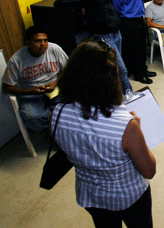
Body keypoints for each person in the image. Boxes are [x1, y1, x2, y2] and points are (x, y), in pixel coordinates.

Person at [53, 41, 156, 228]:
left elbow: (70, 148)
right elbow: (149, 170)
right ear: (110, 78)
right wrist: (139, 131)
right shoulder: (126, 124)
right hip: (129, 197)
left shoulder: (59, 112)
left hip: (91, 195)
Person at [54, 0, 132, 94]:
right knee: (120, 70)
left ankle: (120, 95)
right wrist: (80, 12)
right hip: (104, 37)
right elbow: (59, 3)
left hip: (116, 33)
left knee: (117, 70)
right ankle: (129, 97)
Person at [2, 26, 67, 132]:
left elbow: (67, 69)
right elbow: (6, 87)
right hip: (30, 94)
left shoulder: (54, 49)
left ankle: (57, 127)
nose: (43, 44)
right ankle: (51, 130)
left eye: (45, 40)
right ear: (28, 42)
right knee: (32, 118)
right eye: (38, 41)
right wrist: (29, 91)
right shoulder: (16, 60)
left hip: (55, 90)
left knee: (69, 108)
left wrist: (55, 82)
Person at [112, 0, 156, 85]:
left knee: (142, 47)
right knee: (134, 49)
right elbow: (116, 6)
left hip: (139, 19)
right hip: (128, 21)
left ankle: (143, 69)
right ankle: (139, 75)